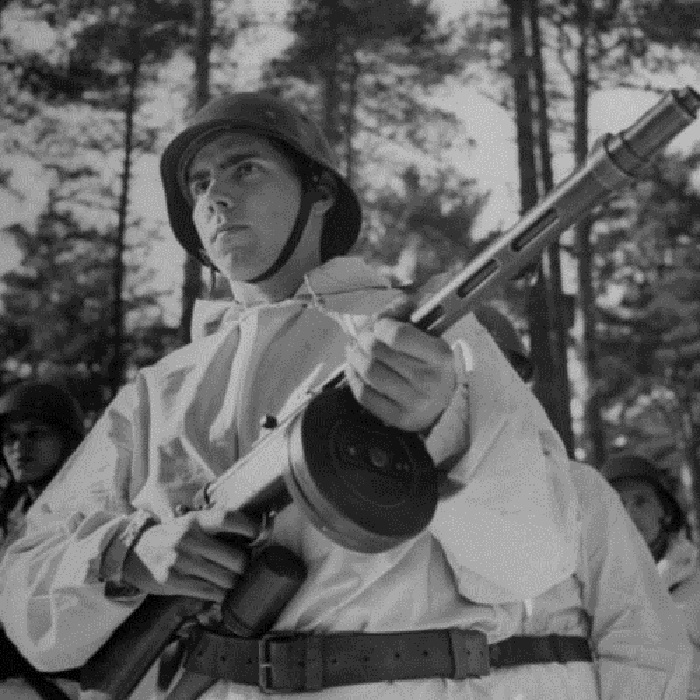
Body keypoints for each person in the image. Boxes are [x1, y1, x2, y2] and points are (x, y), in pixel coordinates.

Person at [0, 91, 624, 700]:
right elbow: (27, 603)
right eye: (199, 183)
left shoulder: (431, 341)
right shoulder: (156, 394)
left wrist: (443, 433)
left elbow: (532, 563)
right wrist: (125, 557)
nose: (216, 196)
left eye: (246, 169)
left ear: (320, 192)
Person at [473, 303, 691, 700]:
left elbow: (644, 642)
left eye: (642, 501)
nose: (476, 383)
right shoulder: (392, 500)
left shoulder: (577, 490)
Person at [0, 380, 85, 700]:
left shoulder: (82, 510)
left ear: (67, 441)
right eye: (9, 437)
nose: (18, 448)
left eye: (34, 434)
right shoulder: (13, 512)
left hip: (61, 674)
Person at [603, 454, 700, 699]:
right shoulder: (591, 590)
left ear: (664, 510)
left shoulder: (694, 576)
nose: (630, 514)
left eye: (641, 501)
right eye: (618, 503)